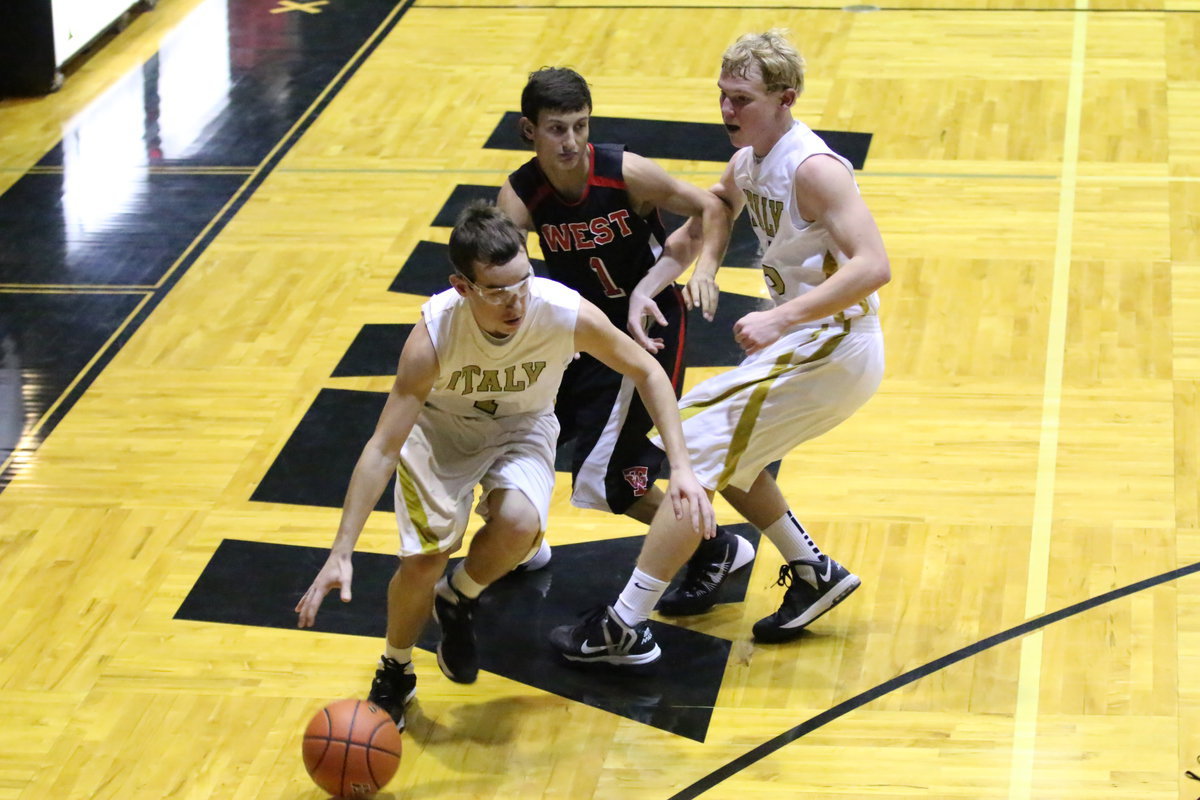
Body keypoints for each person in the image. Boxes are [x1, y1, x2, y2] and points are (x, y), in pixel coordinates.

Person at [295, 202, 714, 729]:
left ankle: (459, 595)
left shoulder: (560, 310)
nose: (516, 300)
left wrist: (681, 468)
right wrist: (342, 550)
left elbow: (647, 371)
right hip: (441, 432)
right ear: (463, 287)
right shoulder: (433, 336)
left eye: (523, 281)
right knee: (423, 561)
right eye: (497, 290)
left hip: (522, 425)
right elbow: (381, 448)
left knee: (519, 524)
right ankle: (396, 668)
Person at [551, 29, 889, 663]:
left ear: (785, 99)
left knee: (691, 448)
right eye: (723, 95)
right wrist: (649, 286)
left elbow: (874, 265)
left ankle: (626, 623)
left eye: (742, 99)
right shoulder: (747, 163)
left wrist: (781, 317)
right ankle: (813, 571)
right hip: (812, 341)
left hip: (836, 342)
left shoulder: (813, 170)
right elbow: (706, 219)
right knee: (729, 452)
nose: (727, 110)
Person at [496, 67, 754, 615]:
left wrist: (706, 270)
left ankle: (715, 548)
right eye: (557, 129)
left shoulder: (624, 172)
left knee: (614, 482)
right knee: (510, 429)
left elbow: (713, 207)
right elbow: (500, 269)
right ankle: (518, 538)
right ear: (529, 130)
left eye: (581, 126)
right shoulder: (520, 193)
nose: (571, 141)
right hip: (579, 334)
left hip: (646, 327)